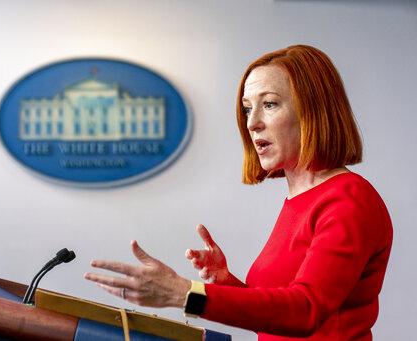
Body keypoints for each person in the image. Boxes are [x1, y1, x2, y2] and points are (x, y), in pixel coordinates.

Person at [84, 45, 393, 340]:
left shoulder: (348, 200)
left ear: (313, 110)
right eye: (247, 109)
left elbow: (305, 311)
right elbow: (278, 315)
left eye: (269, 104)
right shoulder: (301, 199)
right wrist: (227, 284)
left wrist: (183, 293)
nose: (252, 123)